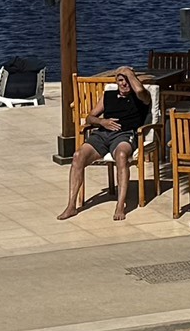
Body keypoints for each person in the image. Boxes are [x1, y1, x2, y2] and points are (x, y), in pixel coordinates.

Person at [57, 68, 151, 221]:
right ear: (116, 82)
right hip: (102, 134)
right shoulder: (108, 95)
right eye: (120, 80)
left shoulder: (141, 97)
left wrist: (128, 72)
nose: (124, 83)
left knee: (121, 156)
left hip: (124, 135)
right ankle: (71, 206)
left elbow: (140, 90)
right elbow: (90, 118)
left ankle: (120, 206)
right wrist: (102, 121)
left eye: (127, 80)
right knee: (78, 156)